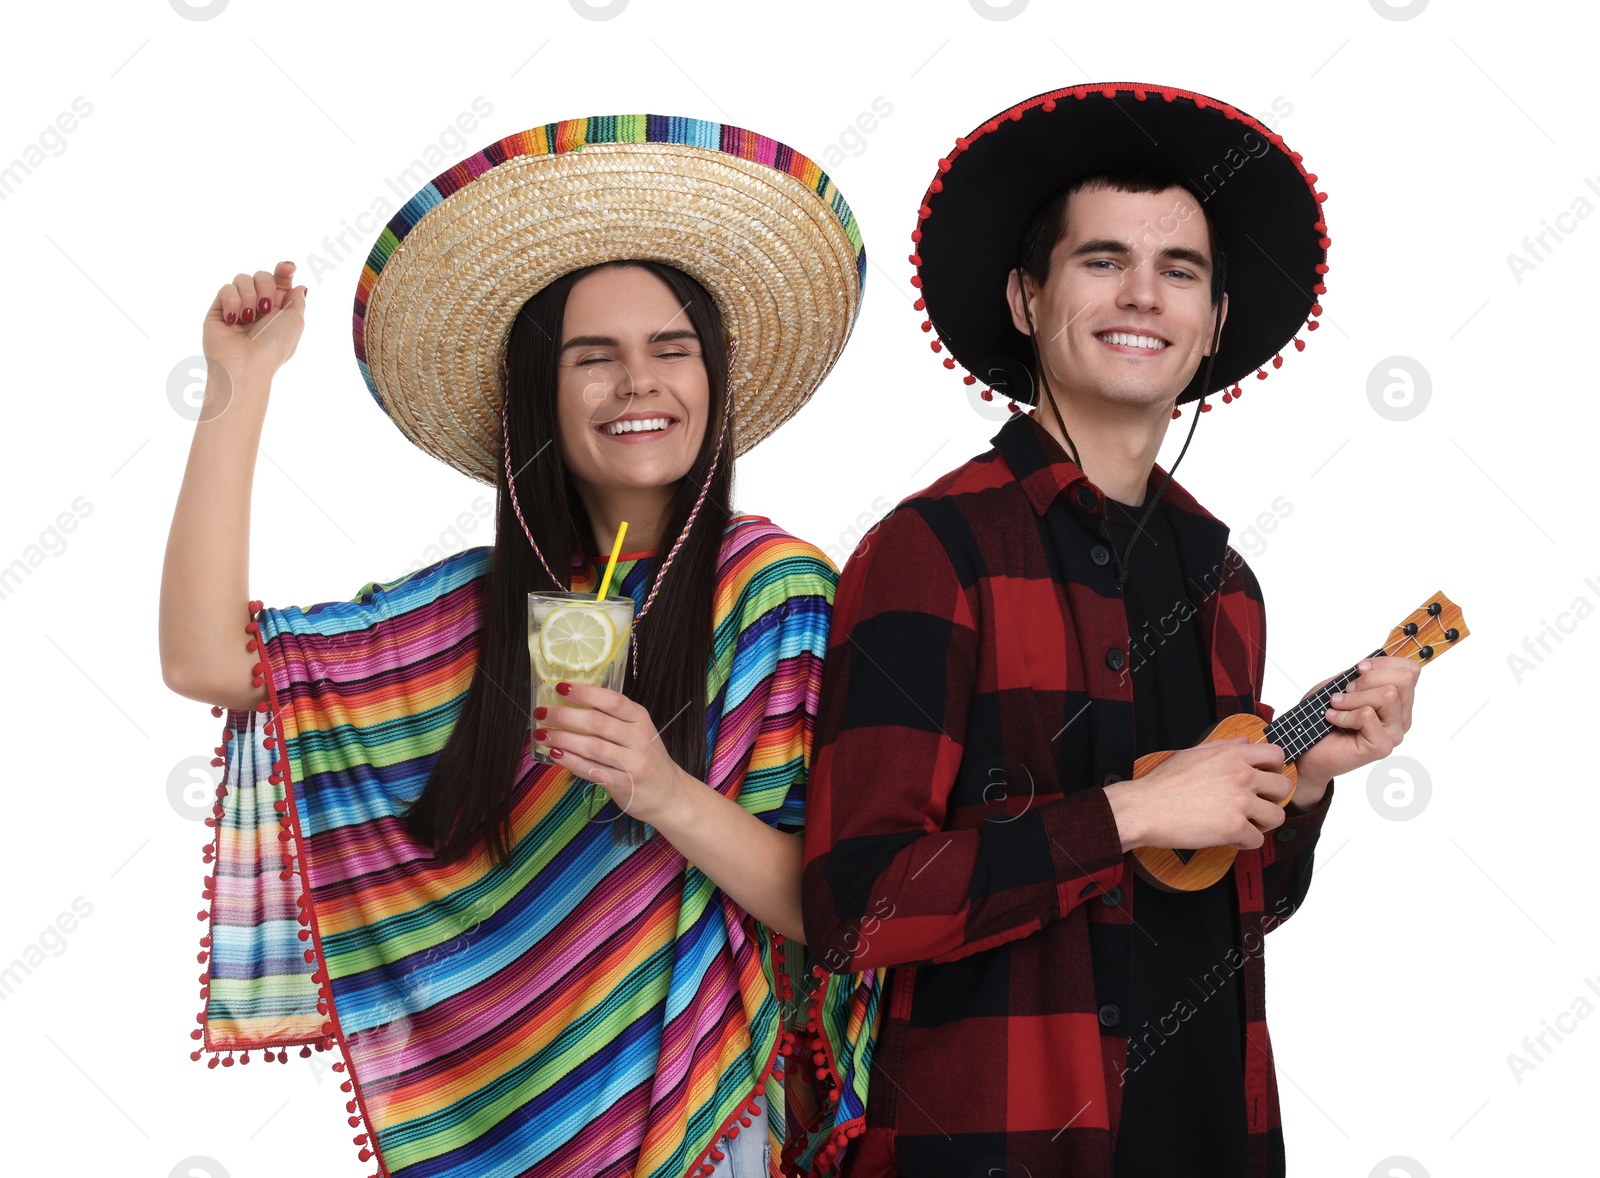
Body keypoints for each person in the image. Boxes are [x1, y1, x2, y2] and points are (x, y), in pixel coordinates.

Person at [161, 114, 881, 1178]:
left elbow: (835, 910)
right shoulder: (475, 613)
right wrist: (238, 384)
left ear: (714, 379)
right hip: (513, 1139)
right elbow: (206, 657)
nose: (639, 383)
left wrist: (663, 788)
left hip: (714, 1127)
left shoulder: (776, 594)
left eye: (671, 349)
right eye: (594, 358)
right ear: (540, 395)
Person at [800, 82, 1421, 1178]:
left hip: (1212, 1139)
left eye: (1178, 270)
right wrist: (1128, 810)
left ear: (1213, 324)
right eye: (1101, 260)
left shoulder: (1225, 581)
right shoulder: (932, 550)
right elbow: (856, 906)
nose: (1143, 293)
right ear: (1026, 298)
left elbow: (1236, 899)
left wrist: (1306, 782)